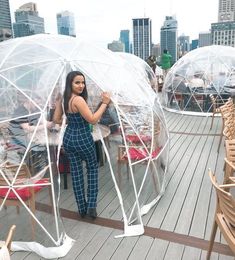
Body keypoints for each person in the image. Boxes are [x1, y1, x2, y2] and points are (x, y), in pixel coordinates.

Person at [53, 71, 111, 219]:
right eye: (77, 82)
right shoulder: (78, 100)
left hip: (68, 138)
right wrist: (104, 103)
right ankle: (91, 206)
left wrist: (71, 121)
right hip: (83, 138)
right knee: (92, 168)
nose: (81, 85)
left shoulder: (63, 99)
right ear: (70, 84)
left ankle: (81, 209)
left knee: (76, 173)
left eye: (82, 82)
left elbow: (56, 120)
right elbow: (92, 120)